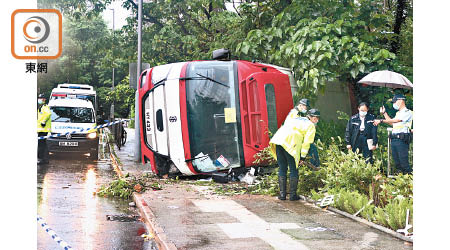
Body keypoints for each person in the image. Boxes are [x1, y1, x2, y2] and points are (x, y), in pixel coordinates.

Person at [269, 109, 320, 201]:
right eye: (316, 119)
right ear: (313, 118)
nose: (317, 121)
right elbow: (307, 143)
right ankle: (292, 195)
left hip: (278, 141)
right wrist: (302, 157)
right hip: (291, 144)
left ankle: (282, 195)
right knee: (293, 169)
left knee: (282, 168)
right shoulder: (310, 126)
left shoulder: (296, 119)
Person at [374, 94, 413, 174]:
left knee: (404, 163)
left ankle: (409, 182)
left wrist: (381, 120)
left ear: (401, 101)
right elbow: (392, 123)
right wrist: (384, 113)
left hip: (402, 140)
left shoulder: (407, 112)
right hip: (394, 139)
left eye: (395, 102)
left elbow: (396, 121)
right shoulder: (398, 113)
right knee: (397, 163)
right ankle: (400, 182)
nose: (393, 104)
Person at [284, 98, 320, 168]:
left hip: (291, 139)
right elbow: (306, 142)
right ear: (300, 105)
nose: (306, 109)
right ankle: (315, 167)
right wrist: (302, 157)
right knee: (311, 148)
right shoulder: (295, 114)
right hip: (293, 139)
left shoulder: (297, 113)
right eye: (305, 107)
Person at [37, 94, 51, 164]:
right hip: (41, 129)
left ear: (44, 100)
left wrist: (43, 121)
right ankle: (45, 159)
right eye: (39, 98)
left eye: (41, 98)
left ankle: (42, 159)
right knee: (44, 145)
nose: (39, 100)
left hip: (43, 129)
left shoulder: (45, 107)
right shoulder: (41, 107)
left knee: (41, 145)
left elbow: (48, 114)